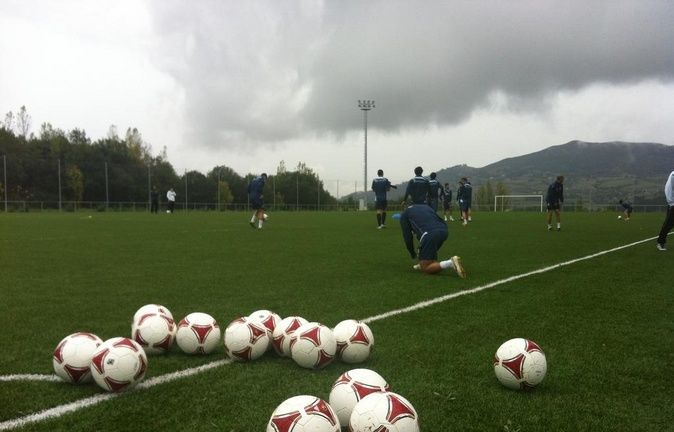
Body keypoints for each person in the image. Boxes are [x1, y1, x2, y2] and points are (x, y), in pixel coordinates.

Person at [399, 203, 466, 278]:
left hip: (430, 234)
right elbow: (437, 218)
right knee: (428, 251)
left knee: (426, 268)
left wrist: (412, 253)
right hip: (444, 230)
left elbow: (407, 237)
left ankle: (450, 263)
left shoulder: (404, 215)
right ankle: (424, 260)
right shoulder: (425, 206)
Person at [656, 170, 674, 251]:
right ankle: (660, 242)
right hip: (672, 203)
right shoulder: (673, 175)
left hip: (671, 202)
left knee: (668, 224)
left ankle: (661, 242)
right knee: (668, 224)